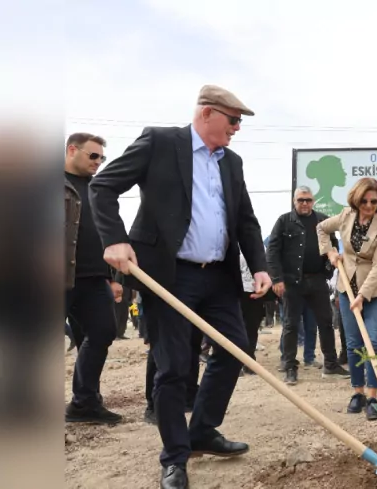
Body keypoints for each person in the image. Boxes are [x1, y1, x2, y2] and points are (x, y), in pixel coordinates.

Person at [88, 85, 272, 489]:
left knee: (233, 351)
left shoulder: (232, 162)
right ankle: (175, 457)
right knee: (173, 368)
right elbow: (102, 188)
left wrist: (260, 267)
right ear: (207, 114)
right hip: (169, 274)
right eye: (233, 120)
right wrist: (114, 240)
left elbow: (245, 220)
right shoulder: (160, 141)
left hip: (219, 276)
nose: (237, 128)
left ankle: (202, 431)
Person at [317, 177, 377, 421]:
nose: (369, 205)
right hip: (346, 285)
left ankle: (373, 398)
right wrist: (329, 251)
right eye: (365, 200)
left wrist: (362, 296)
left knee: (374, 342)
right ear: (357, 199)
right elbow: (321, 228)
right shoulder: (345, 216)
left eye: (374, 201)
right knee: (353, 344)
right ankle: (357, 393)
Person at [64, 132, 124, 424]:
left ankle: (84, 403)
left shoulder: (98, 188)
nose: (98, 162)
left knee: (102, 332)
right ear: (72, 150)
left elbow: (108, 235)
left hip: (93, 278)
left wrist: (112, 277)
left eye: (102, 157)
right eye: (93, 156)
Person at [267, 186, 350, 384]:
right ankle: (289, 366)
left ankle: (330, 363)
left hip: (317, 279)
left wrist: (329, 271)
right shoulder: (283, 221)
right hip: (292, 282)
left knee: (326, 323)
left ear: (313, 201)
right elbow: (272, 252)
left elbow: (332, 245)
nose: (305, 203)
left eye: (308, 200)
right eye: (301, 200)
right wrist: (277, 279)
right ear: (294, 201)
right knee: (290, 324)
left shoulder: (322, 220)